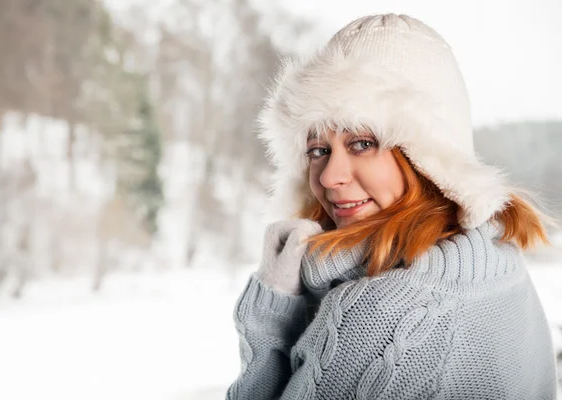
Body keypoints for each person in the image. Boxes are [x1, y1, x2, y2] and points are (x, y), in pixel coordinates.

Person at [225, 14, 557, 399]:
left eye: (362, 144)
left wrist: (271, 319)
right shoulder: (496, 260)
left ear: (426, 157)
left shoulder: (378, 319)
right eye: (317, 150)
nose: (330, 176)